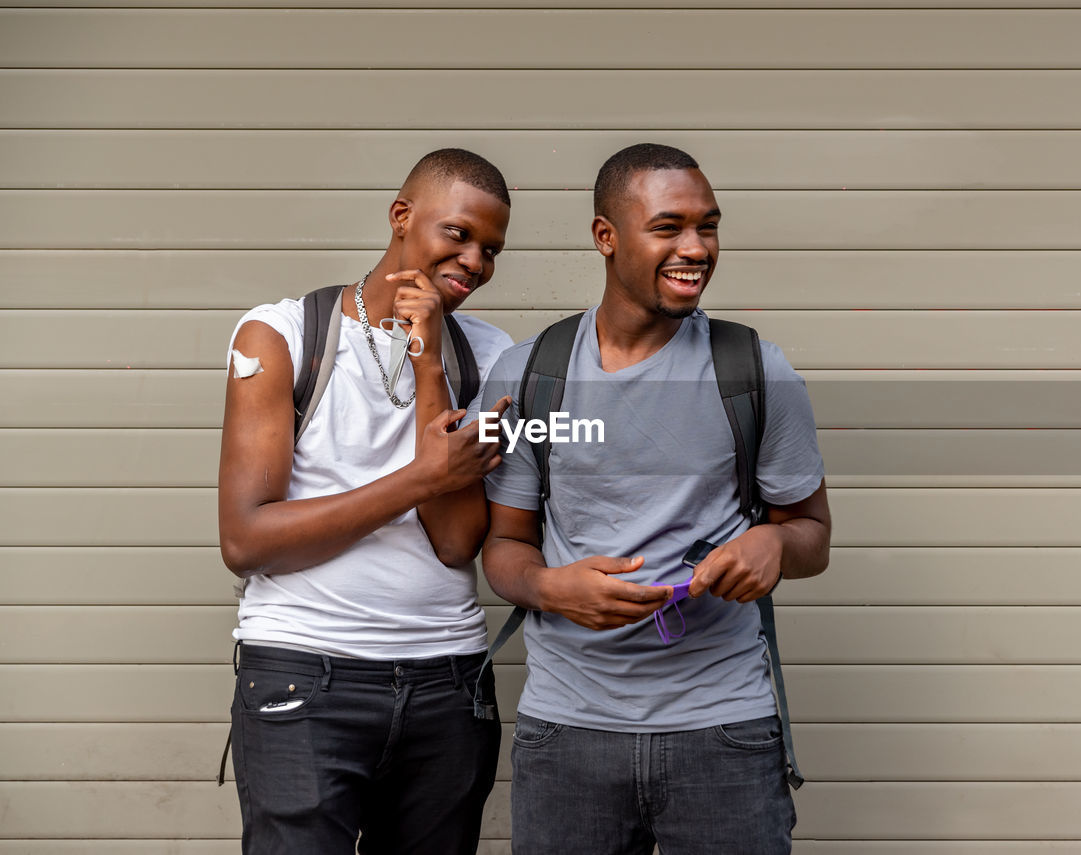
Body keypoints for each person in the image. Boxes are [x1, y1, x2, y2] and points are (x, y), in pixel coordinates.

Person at [479, 143, 832, 855]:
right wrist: (551, 587)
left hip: (723, 729)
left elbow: (812, 534)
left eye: (708, 226)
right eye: (669, 227)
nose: (696, 248)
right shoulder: (529, 374)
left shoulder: (756, 370)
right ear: (606, 237)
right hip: (567, 733)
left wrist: (772, 543)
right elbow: (504, 547)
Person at [217, 148, 516, 854]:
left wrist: (431, 361)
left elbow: (455, 541)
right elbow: (247, 537)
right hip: (301, 677)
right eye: (459, 234)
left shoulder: (493, 355)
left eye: (492, 248)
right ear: (402, 217)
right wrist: (419, 480)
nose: (474, 260)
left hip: (448, 684)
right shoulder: (283, 336)